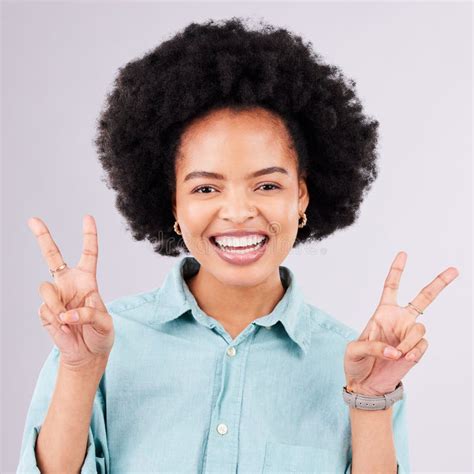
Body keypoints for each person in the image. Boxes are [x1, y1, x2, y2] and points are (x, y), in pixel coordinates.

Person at [18, 17, 459, 473]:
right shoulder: (98, 344)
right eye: (206, 189)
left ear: (301, 196)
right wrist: (80, 371)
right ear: (173, 203)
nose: (238, 212)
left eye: (266, 186)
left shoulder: (363, 365)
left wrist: (369, 401)